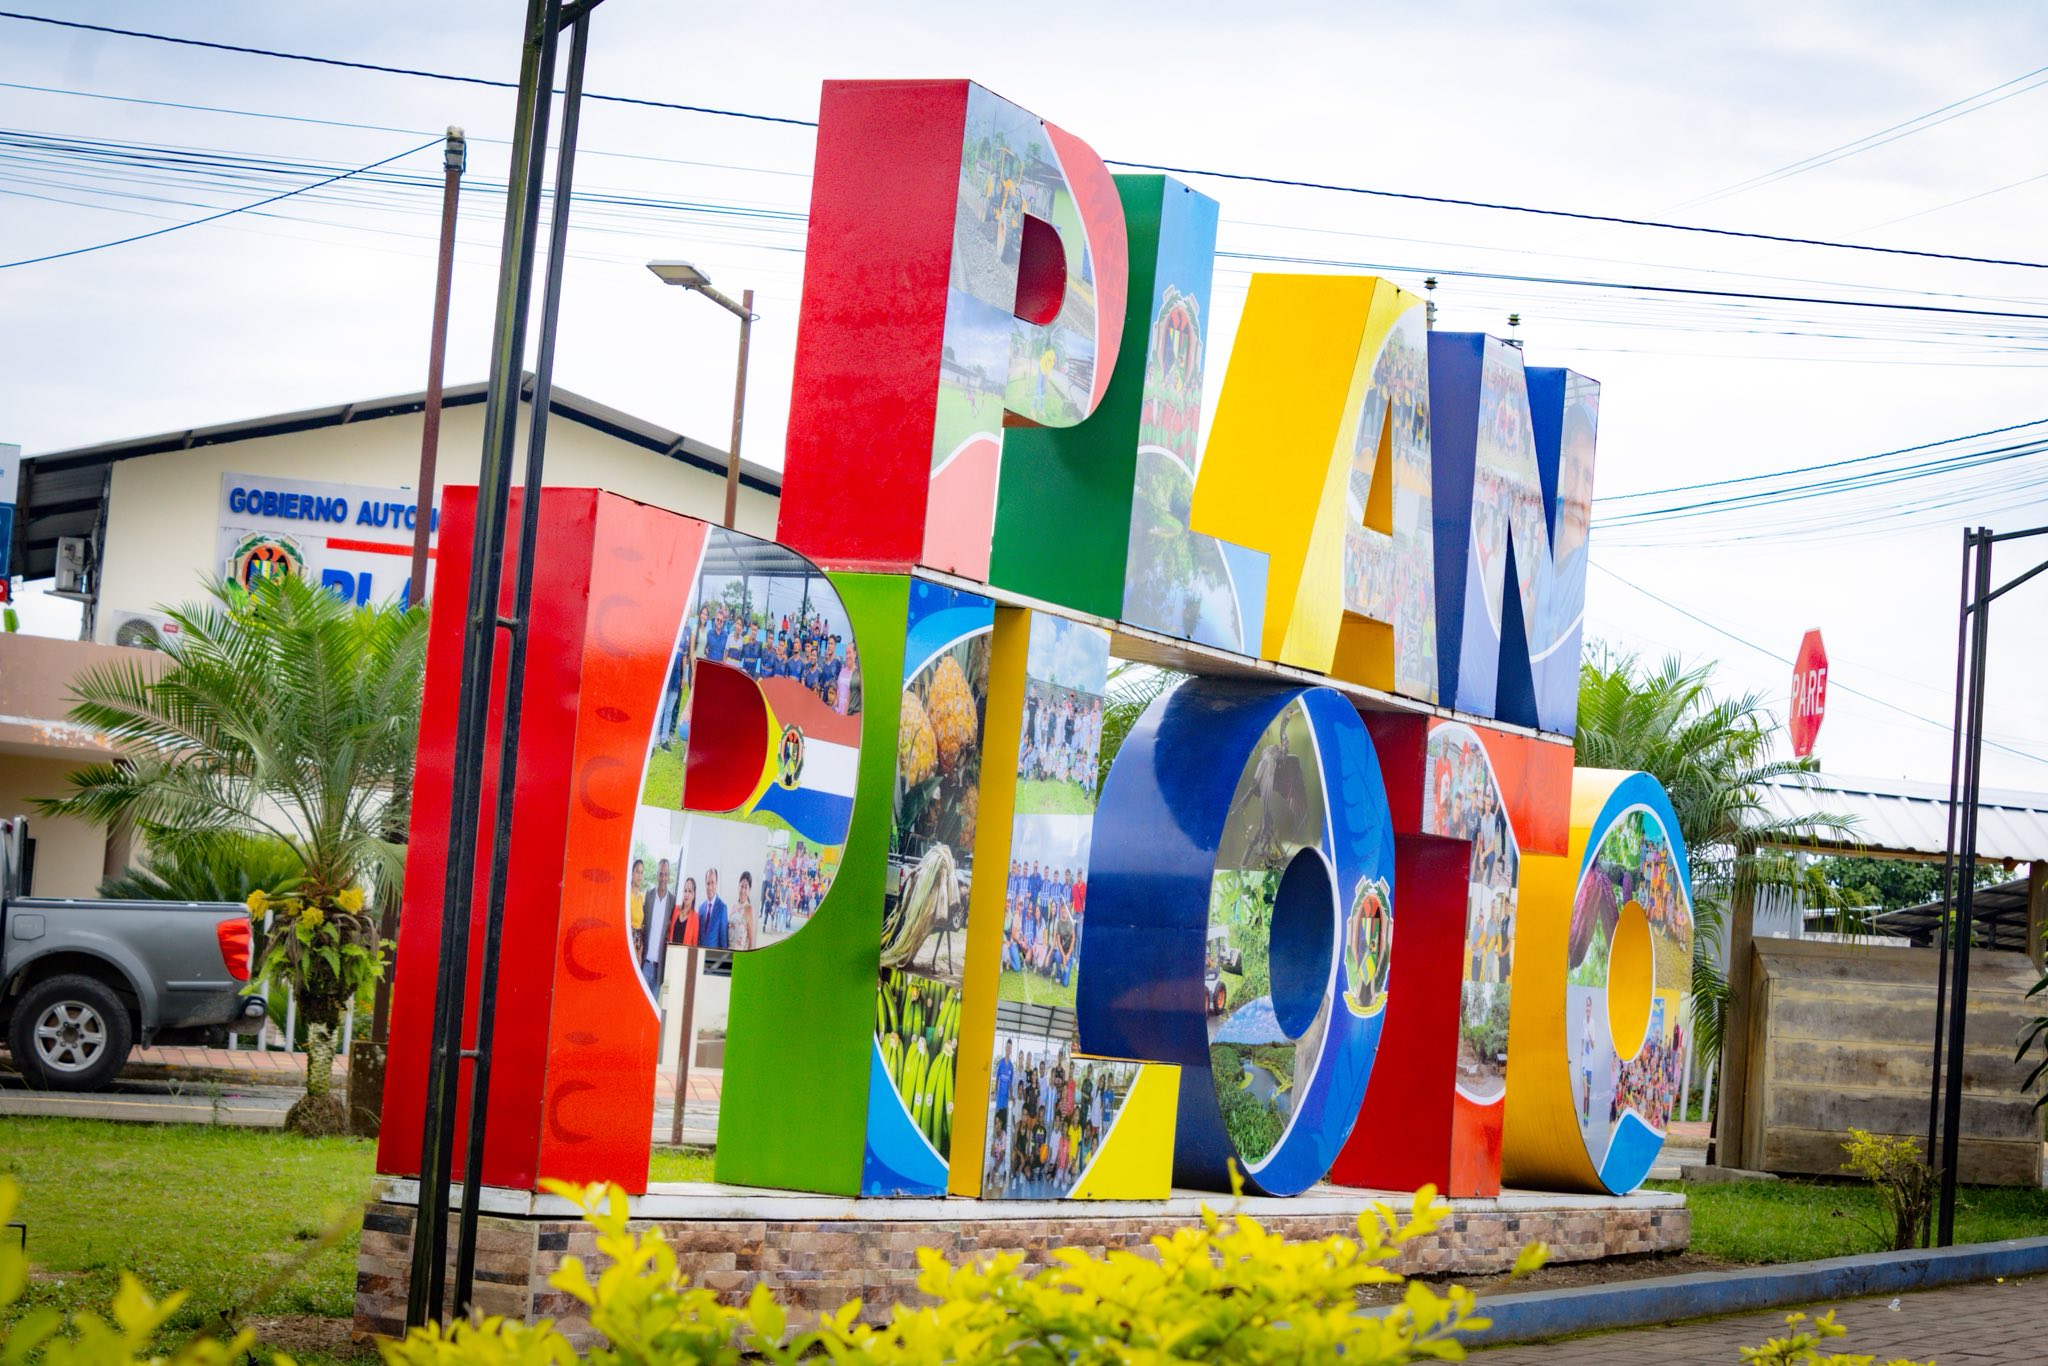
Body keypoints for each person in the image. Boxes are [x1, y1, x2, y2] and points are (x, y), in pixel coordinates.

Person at [640, 859, 676, 990]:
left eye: (666, 874)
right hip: (645, 965)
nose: (663, 878)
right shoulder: (648, 896)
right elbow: (642, 925)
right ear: (657, 875)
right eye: (661, 874)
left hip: (659, 968)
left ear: (669, 877)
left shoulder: (672, 901)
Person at [699, 867, 730, 950]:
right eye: (708, 883)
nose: (710, 887)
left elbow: (723, 943)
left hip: (713, 956)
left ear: (717, 883)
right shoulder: (701, 909)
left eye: (712, 882)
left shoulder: (722, 908)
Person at [732, 870, 760, 950]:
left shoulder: (749, 910)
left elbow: (751, 945)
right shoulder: (733, 907)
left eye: (746, 887)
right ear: (738, 886)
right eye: (741, 886)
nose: (743, 890)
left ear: (749, 890)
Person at [675, 876, 700, 948]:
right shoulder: (676, 909)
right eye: (685, 891)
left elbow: (694, 945)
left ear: (694, 894)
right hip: (670, 952)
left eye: (690, 891)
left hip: (684, 954)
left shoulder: (695, 917)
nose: (686, 894)